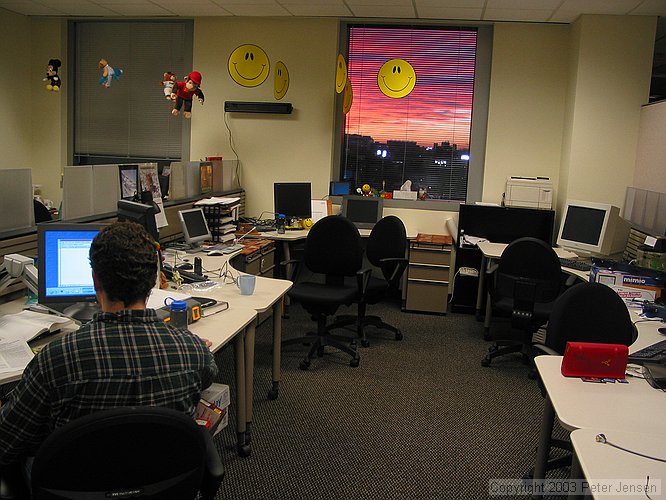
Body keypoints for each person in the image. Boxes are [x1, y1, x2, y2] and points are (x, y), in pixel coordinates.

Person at [0, 221, 218, 468]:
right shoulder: (192, 351)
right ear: (153, 281)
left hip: (75, 488)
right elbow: (208, 375)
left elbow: (6, 444)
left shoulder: (55, 359)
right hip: (164, 483)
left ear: (95, 280)